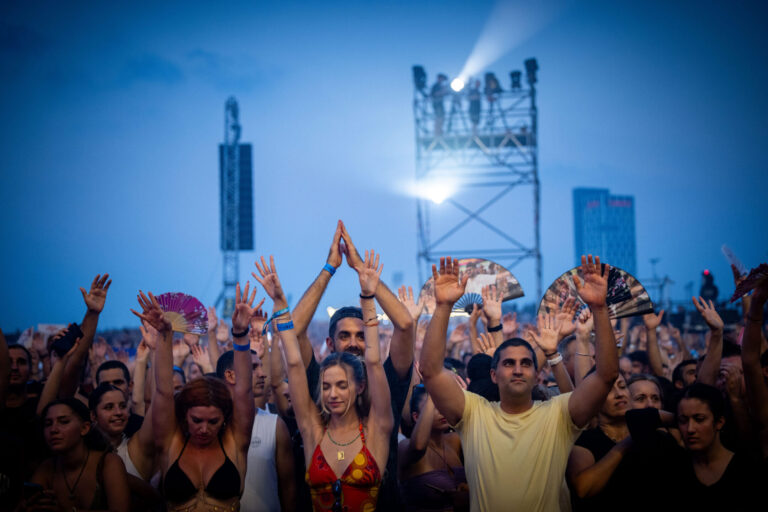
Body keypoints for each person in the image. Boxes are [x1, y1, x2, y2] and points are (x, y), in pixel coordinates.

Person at [420, 255, 619, 511]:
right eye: (508, 363)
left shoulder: (558, 413)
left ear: (537, 375)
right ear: (494, 375)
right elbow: (431, 371)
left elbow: (606, 376)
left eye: (526, 363)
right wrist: (444, 305)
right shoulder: (473, 412)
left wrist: (600, 310)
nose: (517, 370)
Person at [288, 221, 414, 512]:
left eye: (361, 335)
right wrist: (329, 269)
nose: (355, 343)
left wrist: (363, 273)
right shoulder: (318, 382)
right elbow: (293, 333)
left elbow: (406, 326)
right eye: (345, 336)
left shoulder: (386, 378)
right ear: (330, 345)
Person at [253, 252, 393, 512]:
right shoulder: (313, 430)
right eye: (326, 386)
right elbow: (293, 363)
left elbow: (373, 361)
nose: (332, 394)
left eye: (342, 385)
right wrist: (280, 304)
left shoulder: (377, 428)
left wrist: (368, 297)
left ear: (360, 386)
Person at [132, 284, 258, 511]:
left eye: (213, 422)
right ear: (184, 415)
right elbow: (163, 391)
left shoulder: (234, 441)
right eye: (197, 420)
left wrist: (240, 334)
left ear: (225, 419)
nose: (204, 429)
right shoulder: (171, 440)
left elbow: (243, 391)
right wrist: (164, 335)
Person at [216, 349, 297, 512]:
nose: (262, 374)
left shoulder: (275, 426)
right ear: (231, 376)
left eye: (261, 366)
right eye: (253, 367)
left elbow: (289, 489)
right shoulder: (209, 426)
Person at [23, 397, 130, 512]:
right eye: (48, 424)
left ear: (84, 428)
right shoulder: (47, 467)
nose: (53, 429)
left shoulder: (107, 462)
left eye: (64, 422)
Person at [673, 383, 764, 508]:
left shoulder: (747, 468)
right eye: (683, 421)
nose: (690, 429)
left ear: (719, 422)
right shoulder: (674, 466)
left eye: (699, 419)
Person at [398, 384, 468, 512]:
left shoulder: (455, 440)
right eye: (434, 406)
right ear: (416, 417)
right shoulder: (404, 446)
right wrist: (432, 390)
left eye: (442, 403)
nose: (442, 410)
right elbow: (418, 447)